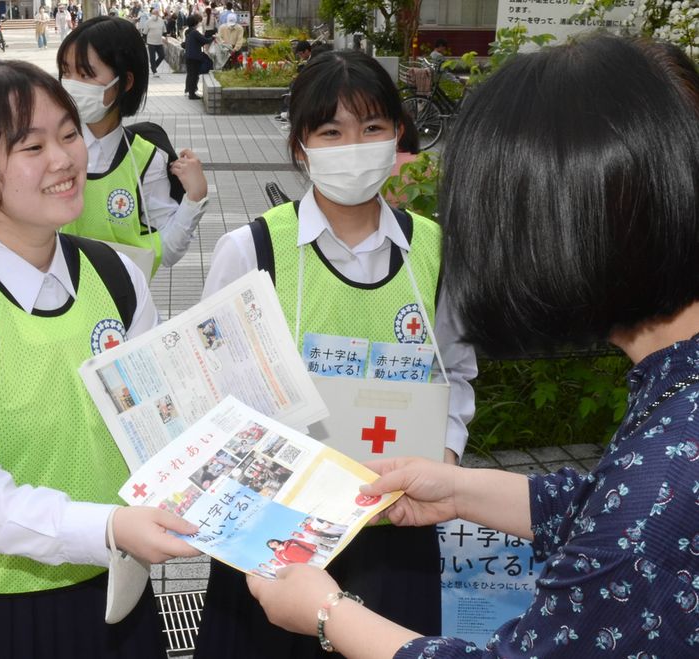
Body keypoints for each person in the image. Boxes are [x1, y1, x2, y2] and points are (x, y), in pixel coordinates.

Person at [247, 36, 699, 657]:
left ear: (586, 217)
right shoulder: (675, 393)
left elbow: (634, 524)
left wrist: (327, 613)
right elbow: (606, 509)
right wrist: (456, 491)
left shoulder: (671, 460)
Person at [0, 59, 201, 658]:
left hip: (112, 593)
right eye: (32, 146)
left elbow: (160, 423)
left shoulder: (118, 277)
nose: (64, 160)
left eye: (69, 133)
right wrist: (104, 528)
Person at [195, 50, 476, 659]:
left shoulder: (433, 248)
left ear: (399, 134)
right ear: (301, 146)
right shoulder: (252, 250)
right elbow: (213, 397)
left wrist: (445, 455)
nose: (355, 145)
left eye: (373, 127)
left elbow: (454, 368)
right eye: (332, 131)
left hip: (398, 527)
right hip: (277, 537)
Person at [57, 16, 208, 274]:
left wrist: (195, 198)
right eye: (66, 72)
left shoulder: (146, 159)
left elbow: (165, 252)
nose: (71, 84)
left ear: (125, 82)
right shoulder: (43, 149)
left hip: (122, 307)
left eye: (85, 74)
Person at [183, 13, 214, 99]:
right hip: (195, 57)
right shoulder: (195, 32)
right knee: (194, 75)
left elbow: (199, 42)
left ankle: (189, 91)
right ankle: (192, 94)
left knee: (190, 74)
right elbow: (205, 40)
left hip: (188, 56)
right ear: (195, 23)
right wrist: (213, 38)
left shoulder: (188, 32)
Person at [145, 6, 166, 76]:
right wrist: (145, 41)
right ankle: (154, 71)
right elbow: (144, 33)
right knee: (152, 57)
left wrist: (165, 38)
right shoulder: (148, 21)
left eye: (157, 13)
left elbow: (164, 31)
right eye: (155, 13)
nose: (156, 15)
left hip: (159, 41)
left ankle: (153, 67)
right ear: (152, 14)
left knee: (162, 55)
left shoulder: (161, 21)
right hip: (151, 42)